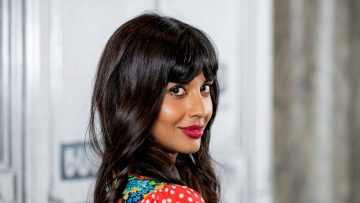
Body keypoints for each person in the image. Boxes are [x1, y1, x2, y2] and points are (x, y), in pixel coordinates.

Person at [88, 13, 221, 203]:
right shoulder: (175, 198)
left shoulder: (120, 184)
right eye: (177, 90)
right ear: (134, 99)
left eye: (204, 88)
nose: (201, 110)